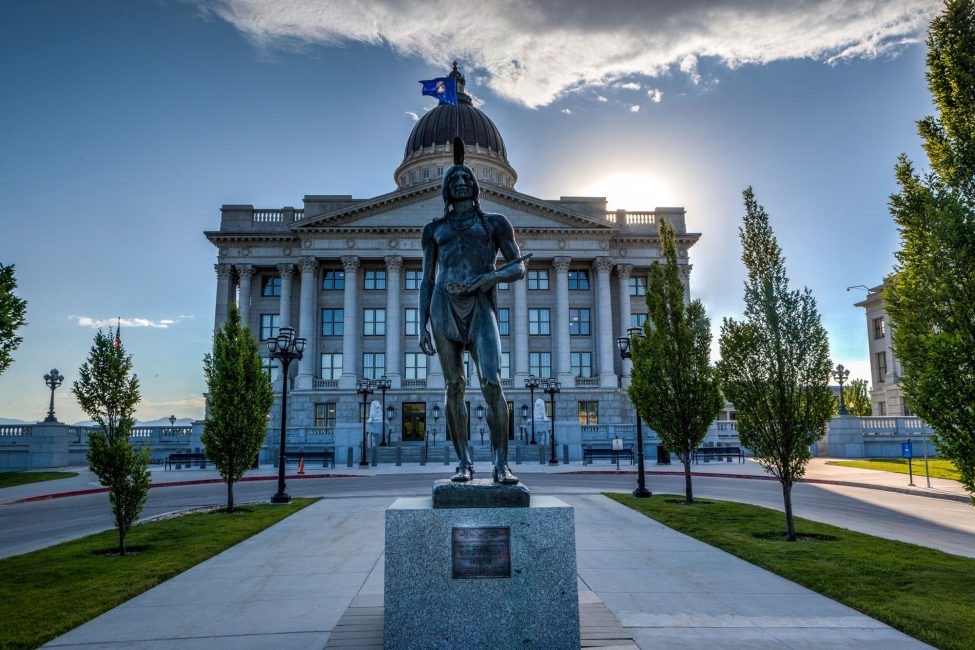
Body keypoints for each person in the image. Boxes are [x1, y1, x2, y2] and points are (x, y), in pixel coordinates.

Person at [419, 142, 526, 484]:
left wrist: (489, 277)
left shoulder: (495, 223)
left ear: (476, 185)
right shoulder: (434, 229)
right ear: (446, 187)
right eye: (455, 177)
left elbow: (517, 267)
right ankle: (464, 461)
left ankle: (501, 463)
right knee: (454, 385)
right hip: (442, 304)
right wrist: (422, 324)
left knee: (492, 381)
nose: (462, 181)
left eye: (467, 176)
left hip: (480, 305)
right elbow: (426, 278)